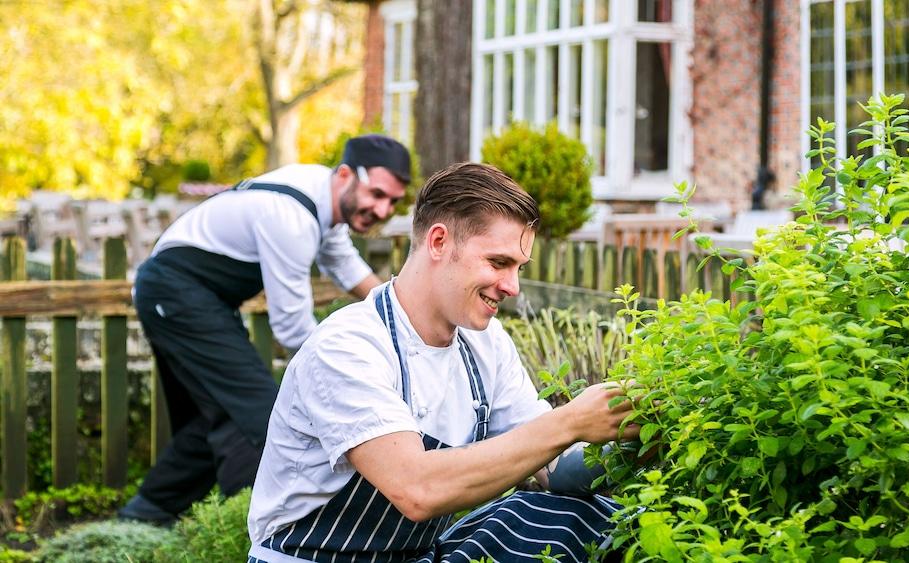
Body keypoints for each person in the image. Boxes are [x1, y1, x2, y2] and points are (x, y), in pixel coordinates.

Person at [246, 162, 639, 562]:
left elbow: (553, 470)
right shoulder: (349, 345)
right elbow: (417, 490)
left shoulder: (485, 343)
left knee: (571, 517)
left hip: (415, 557)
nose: (513, 287)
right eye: (498, 263)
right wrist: (569, 421)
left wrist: (642, 432)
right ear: (438, 242)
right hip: (308, 558)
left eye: (519, 269)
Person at [119, 135, 412, 525]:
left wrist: (403, 320)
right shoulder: (291, 217)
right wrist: (350, 370)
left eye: (392, 201)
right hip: (174, 291)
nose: (382, 209)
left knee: (214, 415)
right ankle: (252, 529)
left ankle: (145, 515)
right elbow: (292, 328)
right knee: (255, 417)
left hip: (193, 297)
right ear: (345, 175)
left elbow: (347, 267)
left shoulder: (321, 197)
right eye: (376, 194)